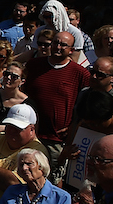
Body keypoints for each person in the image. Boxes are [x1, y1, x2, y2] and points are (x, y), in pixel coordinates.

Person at [24, 30, 90, 162]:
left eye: (63, 45)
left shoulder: (80, 73)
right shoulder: (34, 65)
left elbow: (85, 105)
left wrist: (74, 126)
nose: (58, 47)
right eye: (55, 43)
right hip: (29, 134)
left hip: (57, 140)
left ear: (71, 50)